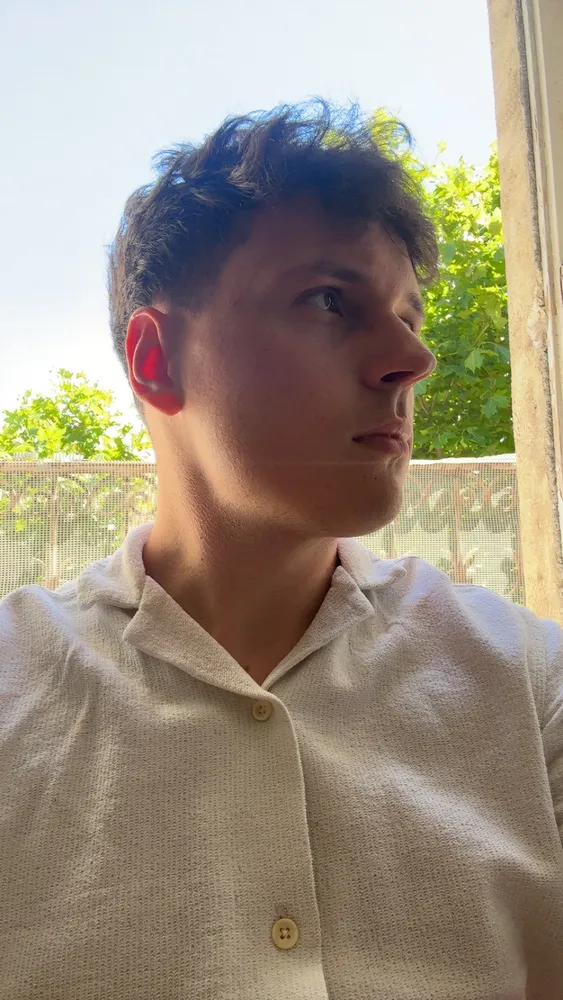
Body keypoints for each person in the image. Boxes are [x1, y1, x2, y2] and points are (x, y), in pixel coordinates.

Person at [0, 101, 562, 1000]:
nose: (412, 359)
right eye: (330, 300)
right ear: (154, 360)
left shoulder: (531, 688)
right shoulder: (14, 687)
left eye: (409, 316)